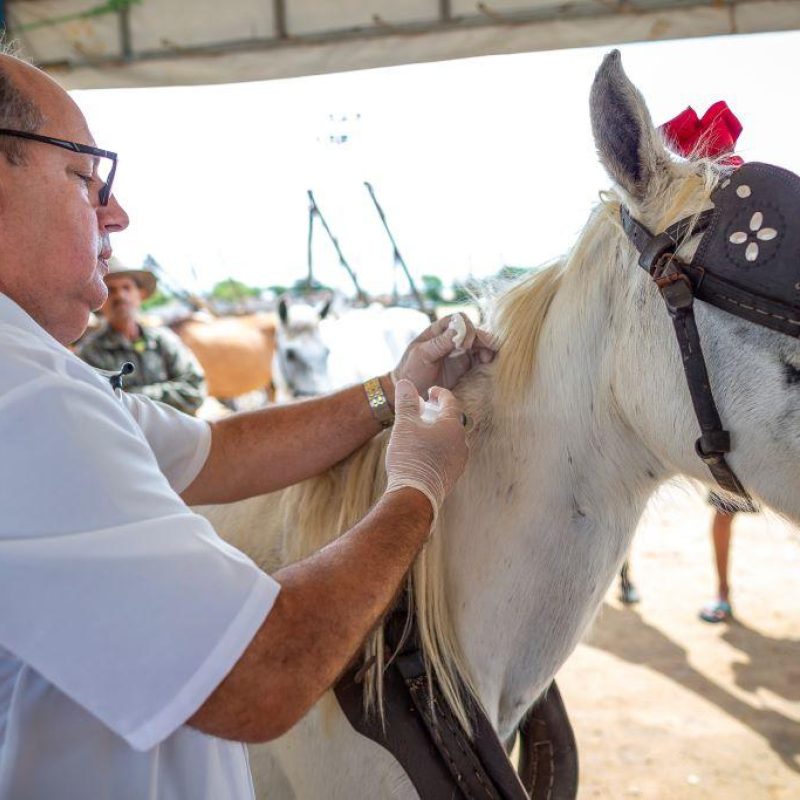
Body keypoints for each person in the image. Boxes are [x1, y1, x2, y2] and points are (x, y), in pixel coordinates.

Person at [0, 51, 496, 800]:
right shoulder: (23, 398)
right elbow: (262, 672)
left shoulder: (39, 376)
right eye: (84, 177)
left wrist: (390, 392)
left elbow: (218, 452)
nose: (116, 213)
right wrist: (416, 489)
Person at [78, 259, 207, 415]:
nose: (119, 296)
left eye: (127, 287)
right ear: (100, 300)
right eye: (110, 290)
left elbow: (195, 390)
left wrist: (131, 396)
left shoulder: (164, 340)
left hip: (178, 437)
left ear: (140, 295)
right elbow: (102, 407)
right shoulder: (90, 353)